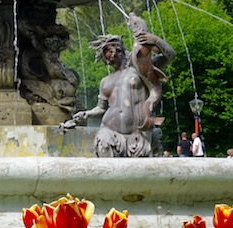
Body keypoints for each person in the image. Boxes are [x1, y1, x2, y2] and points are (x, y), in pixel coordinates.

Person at [63, 14, 175, 158]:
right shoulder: (105, 81)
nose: (108, 58)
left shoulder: (140, 67)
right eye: (105, 55)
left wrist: (154, 40)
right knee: (105, 159)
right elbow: (102, 109)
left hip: (138, 132)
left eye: (108, 51)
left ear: (118, 49)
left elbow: (171, 55)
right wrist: (86, 114)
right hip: (110, 132)